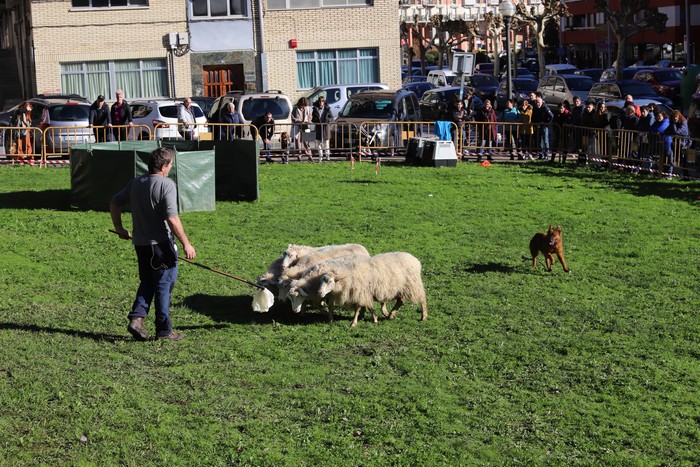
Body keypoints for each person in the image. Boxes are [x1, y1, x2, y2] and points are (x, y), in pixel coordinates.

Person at [110, 147, 196, 341]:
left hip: (140, 244)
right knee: (164, 284)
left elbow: (115, 202)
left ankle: (137, 318)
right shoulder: (167, 185)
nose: (171, 168)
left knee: (148, 280)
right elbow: (172, 219)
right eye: (171, 165)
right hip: (161, 245)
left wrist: (119, 228)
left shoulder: (136, 183)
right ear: (164, 166)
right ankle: (164, 331)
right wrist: (186, 244)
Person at [663, 110, 689, 178]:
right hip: (674, 143)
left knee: (683, 159)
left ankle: (685, 176)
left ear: (679, 116)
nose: (675, 118)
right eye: (673, 117)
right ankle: (669, 174)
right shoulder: (672, 122)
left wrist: (673, 125)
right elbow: (666, 131)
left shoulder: (684, 121)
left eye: (676, 117)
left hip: (683, 143)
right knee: (670, 157)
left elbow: (677, 132)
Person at [312, 96, 333, 162]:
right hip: (318, 127)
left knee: (326, 143)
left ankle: (327, 156)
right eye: (320, 101)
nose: (321, 102)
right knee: (318, 143)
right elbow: (313, 118)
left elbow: (331, 117)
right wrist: (315, 121)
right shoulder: (315, 109)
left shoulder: (327, 109)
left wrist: (328, 121)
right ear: (318, 102)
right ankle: (320, 157)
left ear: (324, 102)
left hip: (325, 127)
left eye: (322, 101)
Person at [291, 97, 312, 161]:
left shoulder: (308, 108)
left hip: (306, 125)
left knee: (307, 140)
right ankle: (299, 155)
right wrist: (298, 121)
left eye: (305, 105)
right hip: (298, 125)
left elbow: (310, 116)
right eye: (303, 105)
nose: (304, 107)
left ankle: (309, 155)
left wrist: (309, 120)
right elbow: (292, 117)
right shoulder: (295, 108)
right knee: (298, 140)